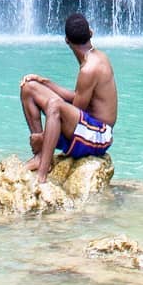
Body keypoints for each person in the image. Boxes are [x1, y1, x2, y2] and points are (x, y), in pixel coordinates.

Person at [19, 12, 117, 183]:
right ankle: (40, 156)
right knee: (29, 88)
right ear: (91, 33)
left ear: (67, 41)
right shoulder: (94, 58)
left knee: (55, 105)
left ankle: (41, 176)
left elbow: (74, 111)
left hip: (99, 134)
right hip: (88, 126)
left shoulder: (89, 69)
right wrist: (45, 82)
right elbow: (80, 99)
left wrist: (42, 137)